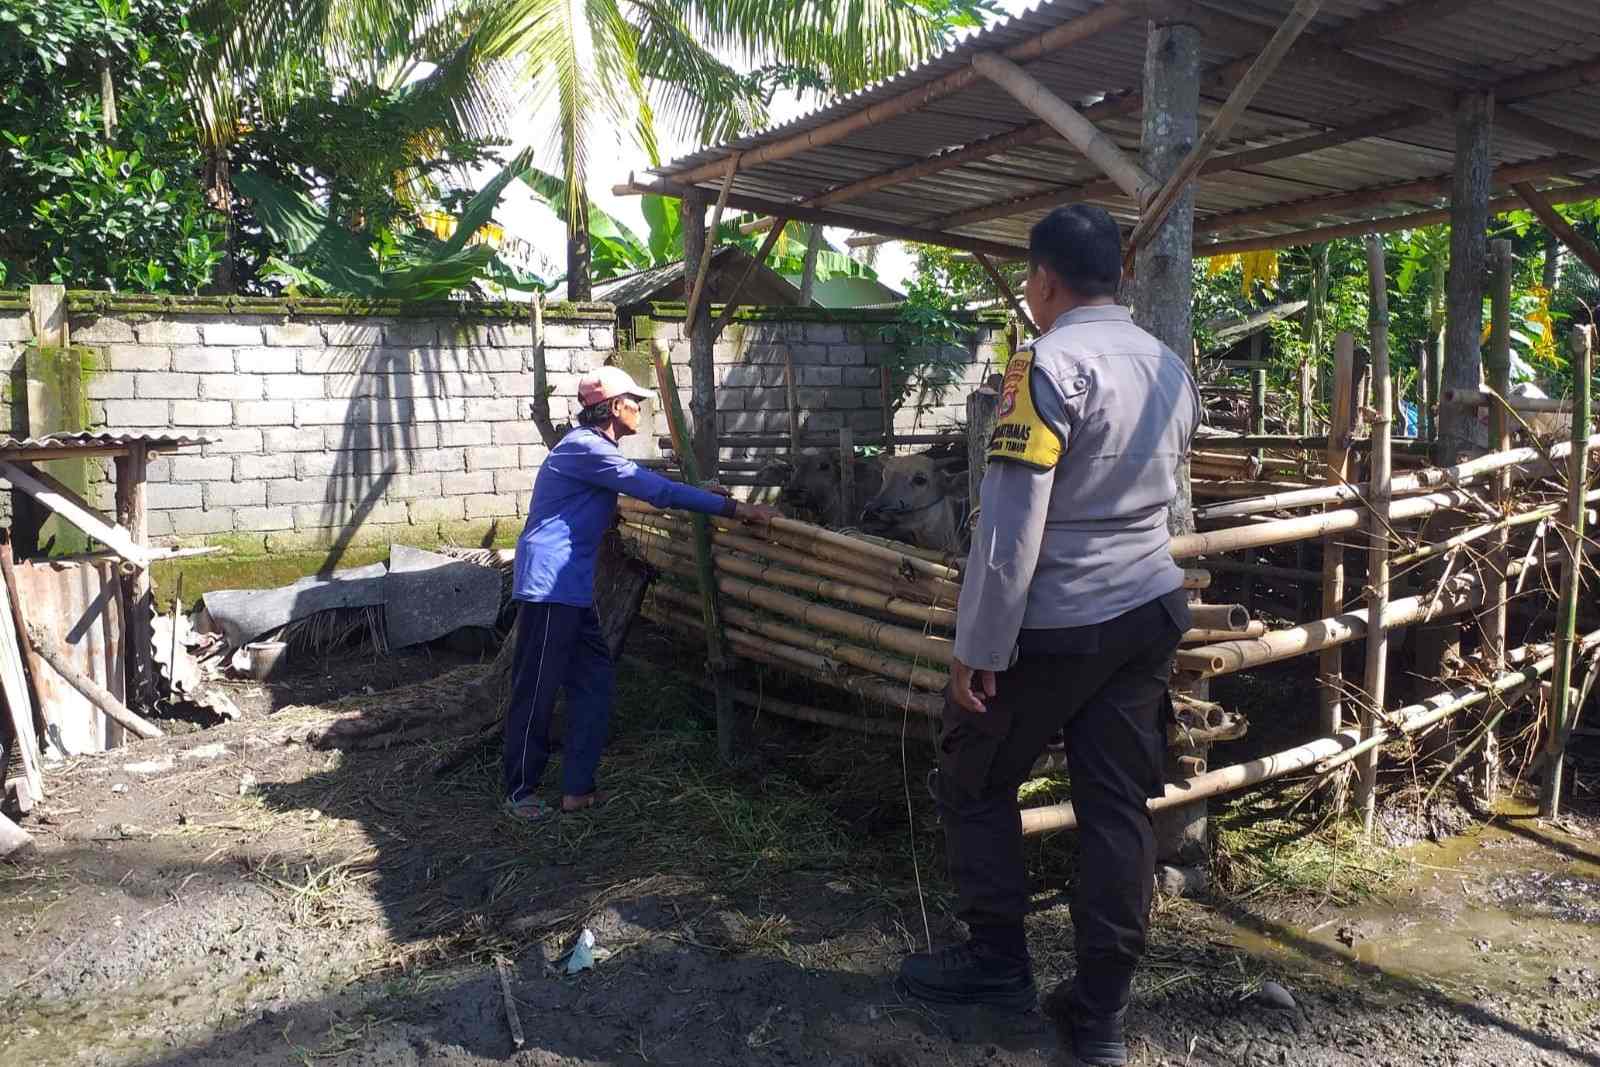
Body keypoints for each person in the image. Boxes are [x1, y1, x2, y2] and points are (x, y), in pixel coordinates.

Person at [897, 205, 1201, 1067]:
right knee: (1116, 804)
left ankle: (997, 962)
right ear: (1120, 274)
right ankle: (1100, 1012)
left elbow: (1009, 524)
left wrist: (978, 648)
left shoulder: (1045, 365)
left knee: (972, 770)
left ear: (1045, 280)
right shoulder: (1169, 364)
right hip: (1146, 609)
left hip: (1061, 618)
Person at [504, 365, 778, 820]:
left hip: (571, 586)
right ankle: (519, 791)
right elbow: (653, 490)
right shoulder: (585, 448)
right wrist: (733, 509)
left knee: (595, 680)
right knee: (536, 686)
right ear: (614, 407)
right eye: (634, 402)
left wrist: (699, 492)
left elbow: (642, 479)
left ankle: (578, 789)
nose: (639, 409)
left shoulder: (594, 452)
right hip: (550, 585)